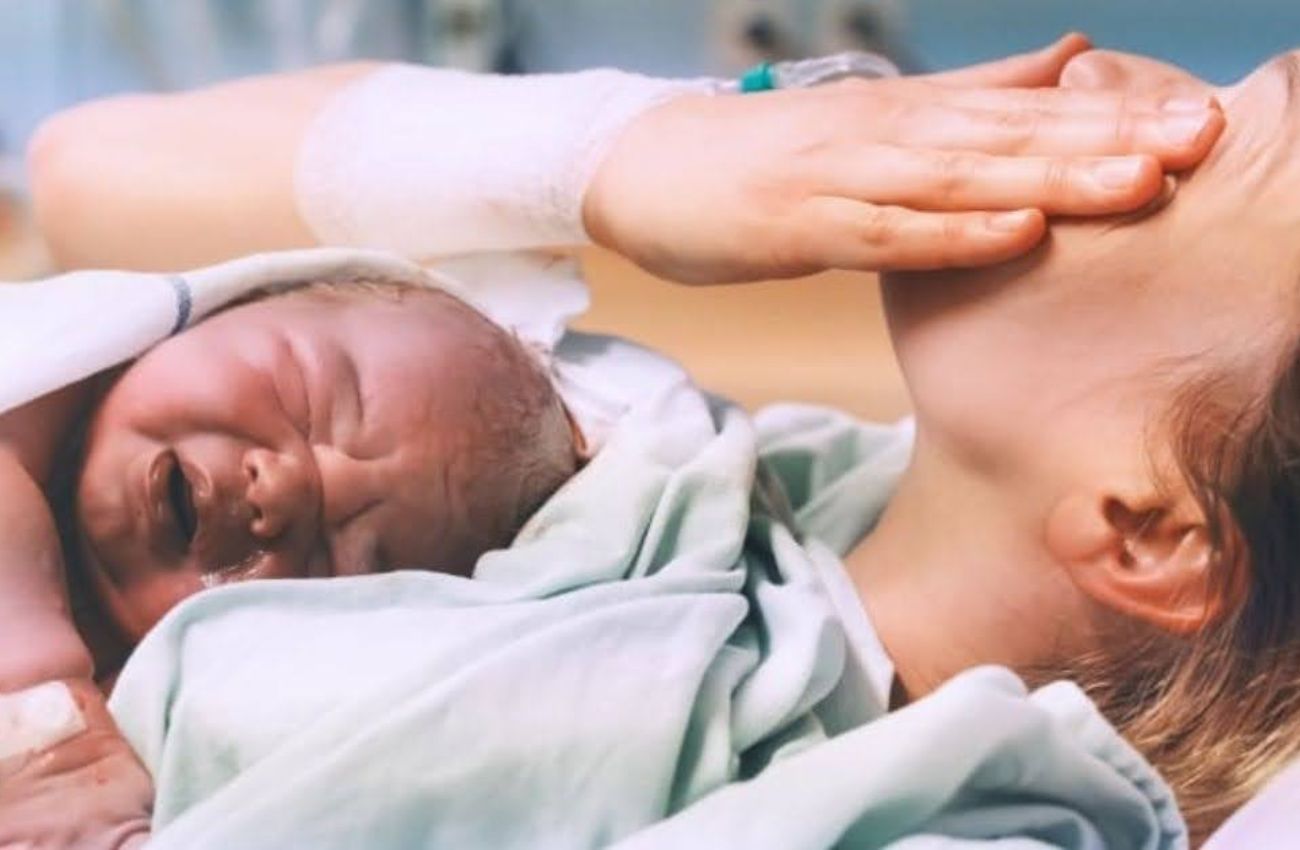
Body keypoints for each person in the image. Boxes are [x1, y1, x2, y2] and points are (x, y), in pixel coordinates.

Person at [2, 34, 1245, 848]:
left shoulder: (957, 801)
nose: (1100, 73)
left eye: (1226, 141)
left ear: (1153, 527)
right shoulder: (679, 459)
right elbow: (84, 172)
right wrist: (618, 150)